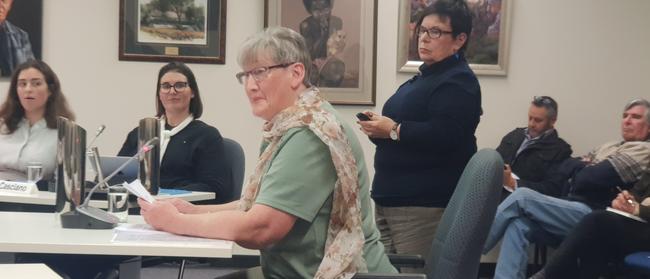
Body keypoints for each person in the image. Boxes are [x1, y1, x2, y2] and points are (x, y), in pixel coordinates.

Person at [137, 27, 396, 278]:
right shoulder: (293, 123)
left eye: (259, 73)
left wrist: (173, 222)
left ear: (296, 73)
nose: (250, 86)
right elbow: (259, 205)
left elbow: (262, 227)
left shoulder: (311, 132)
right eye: (245, 76)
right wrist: (190, 211)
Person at [357, 0, 481, 266]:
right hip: (391, 198)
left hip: (421, 205)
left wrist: (392, 130)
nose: (424, 38)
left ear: (459, 40)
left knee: (414, 272)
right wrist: (379, 129)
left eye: (435, 32)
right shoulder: (425, 77)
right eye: (422, 30)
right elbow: (404, 130)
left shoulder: (458, 81)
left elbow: (446, 135)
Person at [483, 98, 650, 279]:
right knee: (518, 225)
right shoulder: (610, 146)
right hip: (570, 207)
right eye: (625, 116)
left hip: (595, 214)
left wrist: (584, 167)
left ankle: (469, 249)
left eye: (635, 117)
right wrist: (584, 168)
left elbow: (591, 177)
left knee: (522, 197)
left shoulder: (642, 150)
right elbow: (568, 168)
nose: (627, 121)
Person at [118, 62, 231, 204]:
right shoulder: (140, 133)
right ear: (159, 94)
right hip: (135, 209)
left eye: (180, 85)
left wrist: (166, 195)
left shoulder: (206, 136)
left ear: (193, 92)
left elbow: (216, 187)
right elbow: (116, 177)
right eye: (165, 86)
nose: (172, 91)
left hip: (182, 213)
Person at [531, 171, 650, 279]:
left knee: (597, 220)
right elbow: (636, 194)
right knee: (597, 235)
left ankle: (546, 274)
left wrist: (639, 210)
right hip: (641, 224)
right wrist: (625, 200)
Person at [0, 60, 74, 182]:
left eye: (36, 83)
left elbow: (66, 182)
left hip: (37, 195)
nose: (28, 89)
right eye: (22, 84)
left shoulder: (63, 131)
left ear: (50, 90)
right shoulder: (3, 124)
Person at [498, 96, 572, 197]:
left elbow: (552, 189)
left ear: (552, 121)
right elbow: (496, 159)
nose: (531, 124)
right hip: (493, 191)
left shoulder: (560, 150)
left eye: (538, 120)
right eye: (530, 118)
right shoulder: (515, 135)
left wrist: (512, 183)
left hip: (519, 202)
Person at [0, 0, 35, 76]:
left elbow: (31, 72)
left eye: (4, 0)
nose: (0, 5)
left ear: (10, 5)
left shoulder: (21, 36)